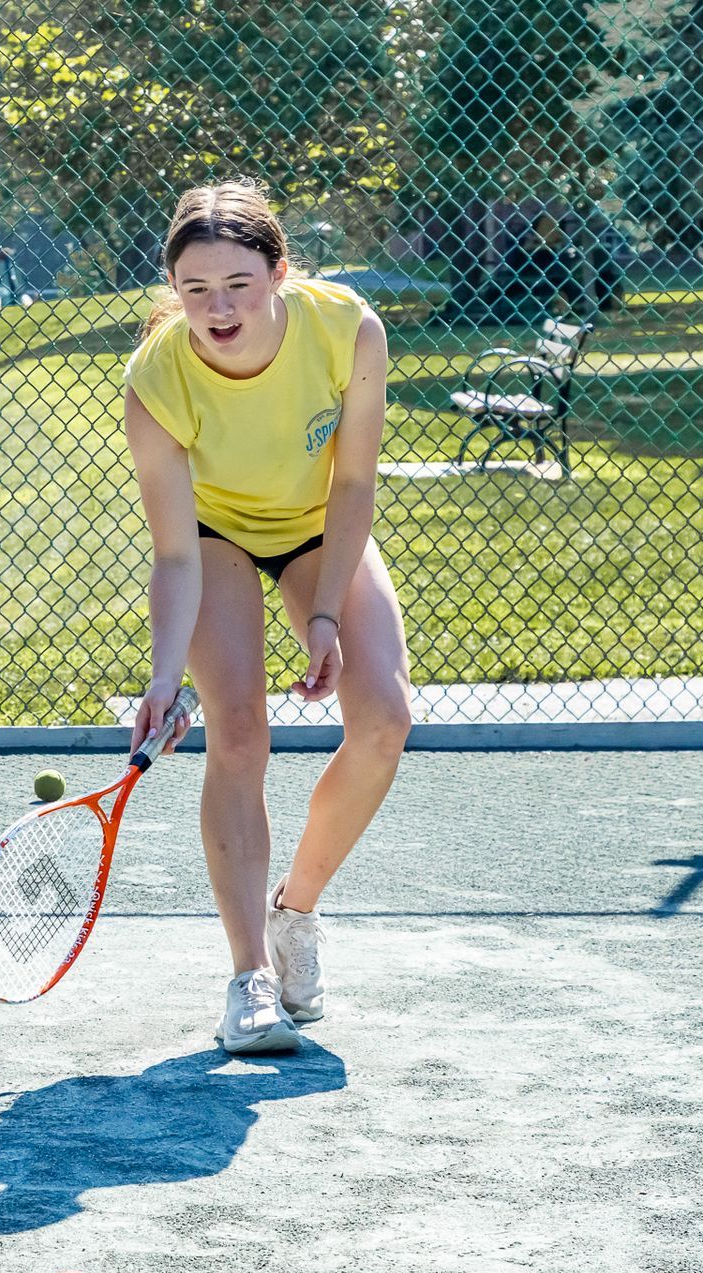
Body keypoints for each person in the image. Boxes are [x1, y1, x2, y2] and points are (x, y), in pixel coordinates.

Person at [122, 180, 412, 1055]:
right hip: (214, 538)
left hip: (320, 524)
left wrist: (323, 615)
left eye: (239, 284)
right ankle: (249, 977)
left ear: (279, 272)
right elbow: (175, 553)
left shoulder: (349, 329)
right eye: (196, 289)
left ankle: (295, 917)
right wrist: (163, 679)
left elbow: (354, 485)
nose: (218, 308)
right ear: (174, 291)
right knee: (239, 735)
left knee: (386, 720)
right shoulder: (156, 378)